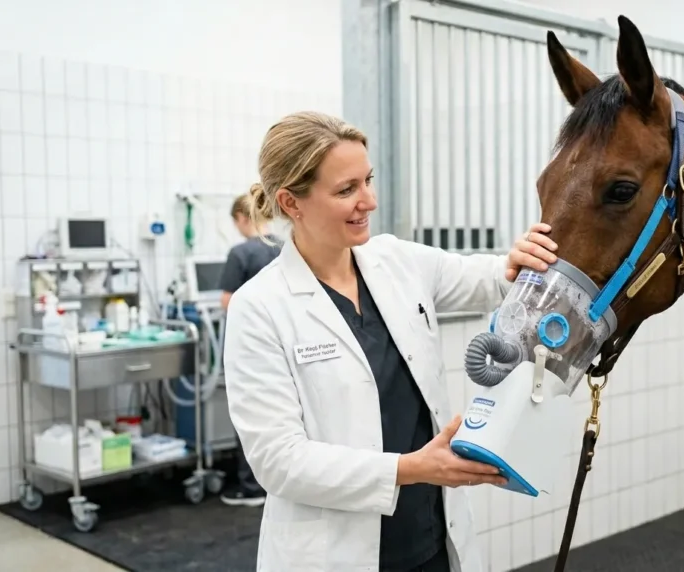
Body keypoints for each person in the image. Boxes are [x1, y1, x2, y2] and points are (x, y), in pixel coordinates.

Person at [223, 110, 558, 572]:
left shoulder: (396, 261)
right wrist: (412, 468)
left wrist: (522, 259)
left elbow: (489, 277)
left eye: (368, 180)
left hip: (432, 540)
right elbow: (279, 461)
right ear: (291, 202)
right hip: (334, 556)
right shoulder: (259, 306)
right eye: (347, 190)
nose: (370, 201)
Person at [217, 190, 283, 507]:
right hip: (285, 345)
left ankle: (250, 487)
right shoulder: (285, 248)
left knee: (251, 416)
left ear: (242, 218)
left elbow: (228, 302)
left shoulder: (240, 253)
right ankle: (277, 484)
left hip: (253, 348)